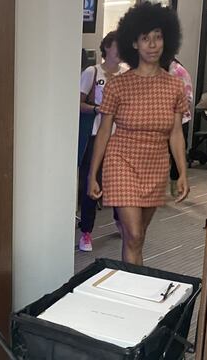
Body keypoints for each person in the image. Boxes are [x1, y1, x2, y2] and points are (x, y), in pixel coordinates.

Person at [87, 2, 190, 265]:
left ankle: (132, 286)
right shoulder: (118, 85)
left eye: (157, 37)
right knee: (132, 234)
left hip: (155, 164)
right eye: (145, 39)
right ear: (134, 44)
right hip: (122, 160)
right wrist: (92, 175)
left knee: (139, 237)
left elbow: (176, 133)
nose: (153, 44)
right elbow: (104, 131)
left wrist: (181, 173)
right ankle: (131, 290)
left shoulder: (175, 87)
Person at [78, 31, 128, 252]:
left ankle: (121, 220)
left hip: (121, 138)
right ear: (107, 47)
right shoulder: (93, 72)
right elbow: (77, 103)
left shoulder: (128, 74)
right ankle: (86, 232)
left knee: (120, 183)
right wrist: (98, 109)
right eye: (117, 46)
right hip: (95, 135)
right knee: (91, 181)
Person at [168, 59, 193, 196]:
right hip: (160, 121)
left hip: (179, 120)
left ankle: (176, 184)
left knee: (176, 152)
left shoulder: (178, 71)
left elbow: (187, 98)